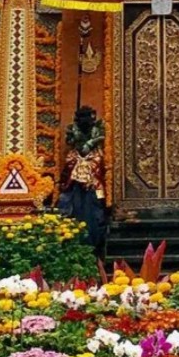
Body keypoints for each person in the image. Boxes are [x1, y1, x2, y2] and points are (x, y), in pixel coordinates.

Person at [58, 106, 107, 251]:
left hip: (93, 174)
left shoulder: (97, 130)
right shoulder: (73, 130)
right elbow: (70, 141)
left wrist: (90, 144)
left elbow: (100, 138)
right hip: (75, 184)